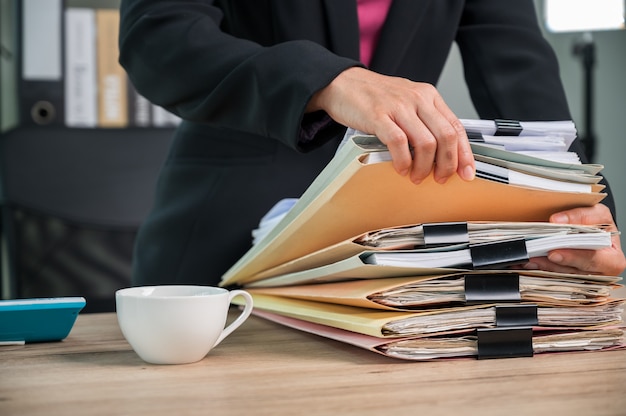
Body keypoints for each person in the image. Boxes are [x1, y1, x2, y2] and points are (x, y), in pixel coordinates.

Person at [118, 0, 626, 287]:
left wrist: (586, 215)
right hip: (222, 246)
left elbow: (522, 80)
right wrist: (329, 81)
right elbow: (157, 36)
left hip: (393, 257)